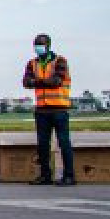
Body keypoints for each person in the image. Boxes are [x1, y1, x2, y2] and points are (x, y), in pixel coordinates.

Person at [22, 34, 75, 186]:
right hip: (42, 110)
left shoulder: (60, 61)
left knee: (64, 143)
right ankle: (45, 176)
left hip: (59, 109)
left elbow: (57, 81)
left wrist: (36, 82)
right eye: (36, 44)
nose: (38, 47)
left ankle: (69, 176)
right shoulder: (32, 63)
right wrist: (43, 82)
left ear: (48, 45)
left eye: (41, 44)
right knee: (42, 145)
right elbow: (26, 82)